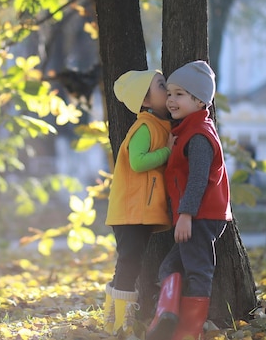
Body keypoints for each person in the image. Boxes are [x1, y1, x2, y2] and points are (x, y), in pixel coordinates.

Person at [146, 60, 232, 340]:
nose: (170, 99)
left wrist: (185, 215)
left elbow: (197, 180)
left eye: (179, 94)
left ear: (199, 100)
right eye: (169, 93)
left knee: (198, 271)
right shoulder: (187, 130)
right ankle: (167, 317)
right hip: (195, 215)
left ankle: (187, 333)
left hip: (200, 216)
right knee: (170, 267)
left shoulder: (199, 136)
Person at [102, 69, 176, 337]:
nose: (167, 88)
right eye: (160, 85)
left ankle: (113, 320)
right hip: (131, 211)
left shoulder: (160, 124)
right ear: (145, 101)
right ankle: (120, 324)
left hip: (137, 211)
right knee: (130, 263)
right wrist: (168, 150)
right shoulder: (145, 127)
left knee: (128, 262)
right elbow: (138, 162)